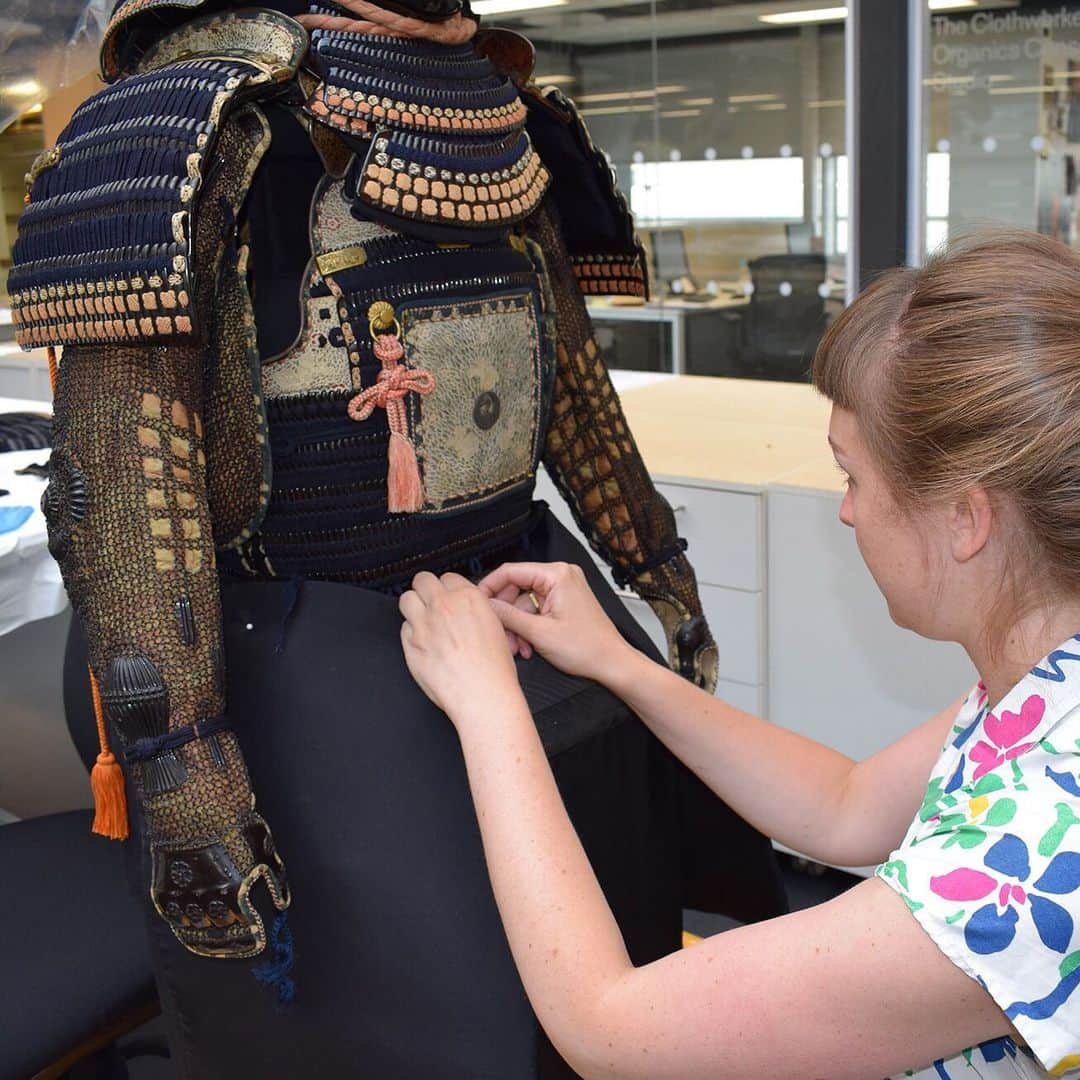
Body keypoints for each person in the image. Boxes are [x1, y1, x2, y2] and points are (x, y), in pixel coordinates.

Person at [399, 229, 1080, 1080]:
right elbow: (845, 806)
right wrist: (622, 664)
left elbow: (610, 1030)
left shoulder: (1039, 839)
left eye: (853, 477)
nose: (848, 513)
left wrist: (486, 702)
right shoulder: (1047, 688)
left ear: (967, 519)